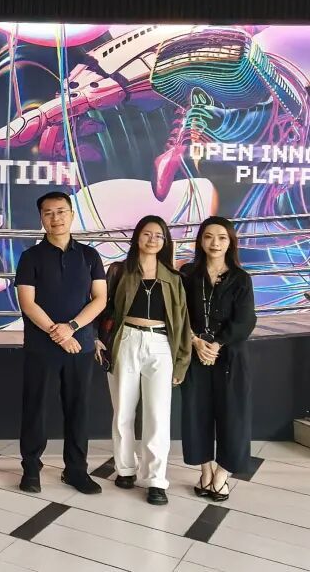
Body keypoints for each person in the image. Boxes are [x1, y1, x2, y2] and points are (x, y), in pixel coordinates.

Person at [15, 192, 106, 495]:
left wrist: (72, 329)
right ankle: (31, 468)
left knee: (78, 409)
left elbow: (100, 299)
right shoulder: (31, 257)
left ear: (72, 214)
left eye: (61, 211)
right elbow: (27, 303)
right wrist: (57, 333)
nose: (56, 218)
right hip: (40, 346)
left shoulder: (90, 256)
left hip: (81, 346)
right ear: (41, 218)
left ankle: (76, 470)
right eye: (48, 213)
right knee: (36, 408)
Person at [98, 215, 192, 506]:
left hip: (161, 344)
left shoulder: (174, 277)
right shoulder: (119, 270)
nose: (152, 239)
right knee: (122, 412)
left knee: (158, 415)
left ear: (165, 241)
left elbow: (183, 321)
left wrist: (181, 360)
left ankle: (155, 480)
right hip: (126, 339)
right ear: (137, 236)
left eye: (159, 235)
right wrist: (99, 339)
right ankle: (125, 469)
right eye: (147, 234)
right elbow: (105, 307)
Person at [180, 216, 256, 502]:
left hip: (230, 356)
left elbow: (246, 320)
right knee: (196, 412)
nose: (215, 243)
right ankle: (205, 471)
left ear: (230, 242)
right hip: (195, 353)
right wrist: (196, 341)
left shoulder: (240, 278)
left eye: (222, 237)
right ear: (200, 241)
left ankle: (222, 474)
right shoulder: (188, 274)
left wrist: (216, 344)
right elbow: (178, 313)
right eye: (209, 236)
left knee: (233, 415)